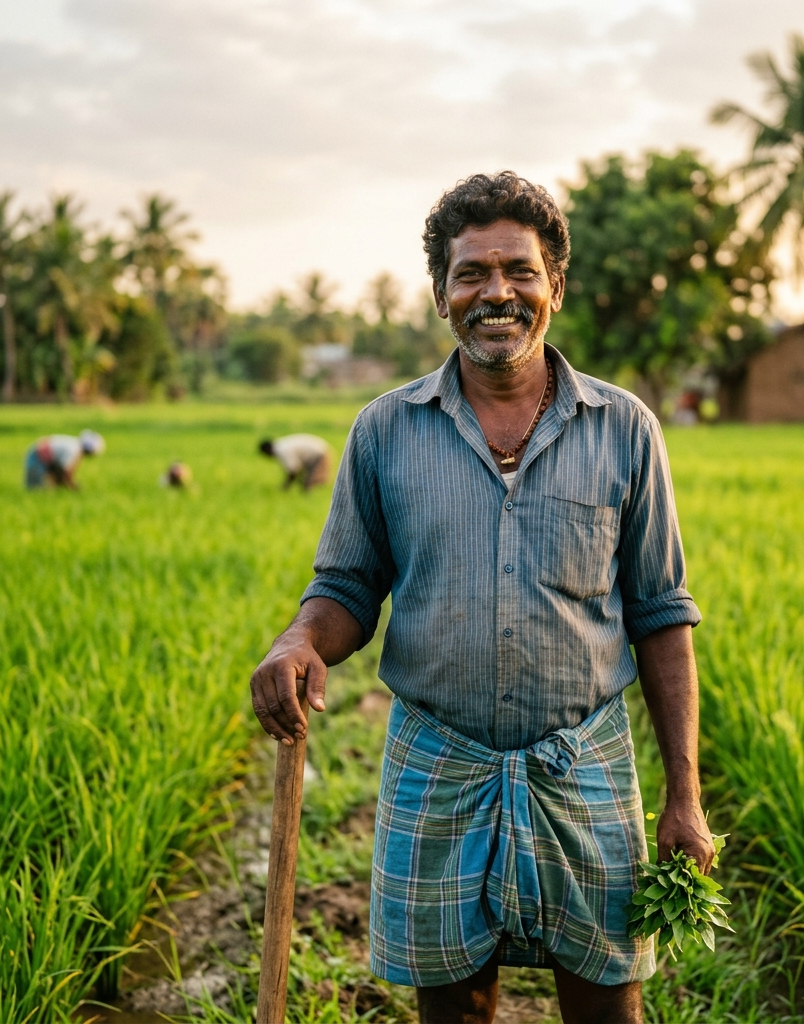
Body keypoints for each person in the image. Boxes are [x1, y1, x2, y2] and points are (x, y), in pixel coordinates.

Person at [249, 172, 713, 1024]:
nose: (495, 291)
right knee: (454, 1008)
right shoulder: (385, 430)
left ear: (554, 289)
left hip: (584, 760)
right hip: (440, 759)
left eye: (519, 271)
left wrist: (683, 794)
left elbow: (660, 614)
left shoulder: (625, 428)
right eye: (471, 273)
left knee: (608, 1001)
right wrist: (298, 642)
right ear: (440, 295)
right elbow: (348, 586)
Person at [24, 429, 105, 489]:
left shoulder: (74, 445)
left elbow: (62, 472)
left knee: (47, 490)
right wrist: (73, 486)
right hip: (38, 459)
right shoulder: (73, 449)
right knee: (37, 490)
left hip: (42, 459)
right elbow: (65, 472)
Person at [258, 434, 330, 491]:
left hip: (319, 453)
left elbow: (293, 470)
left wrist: (286, 486)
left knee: (311, 482)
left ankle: (312, 501)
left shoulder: (283, 450)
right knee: (306, 482)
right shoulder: (281, 446)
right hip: (316, 452)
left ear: (267, 451)